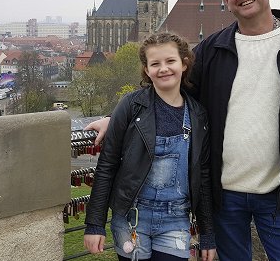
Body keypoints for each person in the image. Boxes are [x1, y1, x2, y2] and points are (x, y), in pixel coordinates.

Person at [86, 0, 280, 260]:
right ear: (227, 1)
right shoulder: (213, 47)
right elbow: (169, 87)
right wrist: (117, 118)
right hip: (225, 197)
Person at [83, 33, 217, 261]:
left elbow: (202, 175)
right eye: (155, 64)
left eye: (170, 61)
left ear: (184, 64)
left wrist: (208, 234)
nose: (163, 68)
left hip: (176, 218)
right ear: (146, 70)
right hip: (132, 216)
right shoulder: (131, 105)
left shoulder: (197, 114)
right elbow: (107, 165)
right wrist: (95, 223)